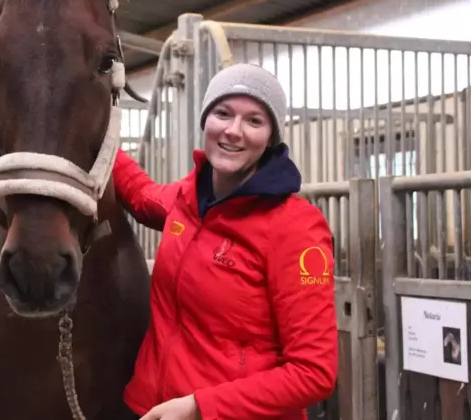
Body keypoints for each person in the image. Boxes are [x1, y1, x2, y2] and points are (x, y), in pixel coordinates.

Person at [113, 63, 338, 420]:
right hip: (150, 409)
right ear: (206, 120)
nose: (233, 131)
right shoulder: (187, 199)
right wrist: (99, 132)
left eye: (254, 120)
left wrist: (199, 407)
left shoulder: (294, 227)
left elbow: (314, 373)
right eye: (223, 113)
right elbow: (141, 195)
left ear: (270, 138)